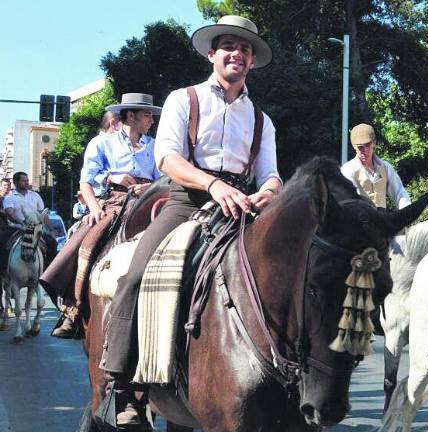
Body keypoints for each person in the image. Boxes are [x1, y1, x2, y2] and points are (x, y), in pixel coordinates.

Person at [98, 15, 281, 428]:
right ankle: (120, 383)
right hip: (186, 198)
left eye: (245, 49)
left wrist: (266, 192)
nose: (237, 53)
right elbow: (167, 159)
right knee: (138, 274)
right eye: (229, 46)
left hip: (242, 205)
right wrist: (213, 186)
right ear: (213, 54)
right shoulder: (185, 99)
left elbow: (271, 172)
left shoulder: (261, 118)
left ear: (252, 62)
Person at [40, 93, 162, 339]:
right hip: (114, 201)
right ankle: (73, 308)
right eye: (147, 115)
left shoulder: (156, 145)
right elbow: (86, 181)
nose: (151, 120)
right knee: (89, 241)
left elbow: (164, 177)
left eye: (151, 115)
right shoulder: (101, 143)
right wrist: (97, 205)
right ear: (130, 116)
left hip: (151, 200)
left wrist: (149, 188)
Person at [341, 123, 412, 209]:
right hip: (359, 220)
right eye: (360, 147)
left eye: (367, 145)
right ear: (353, 146)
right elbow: (347, 201)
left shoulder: (386, 167)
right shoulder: (347, 170)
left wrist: (406, 212)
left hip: (382, 219)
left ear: (374, 143)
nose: (365, 151)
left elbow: (399, 193)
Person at [0, 172, 51, 276]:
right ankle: (3, 272)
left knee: (52, 243)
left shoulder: (35, 195)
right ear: (15, 182)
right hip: (16, 228)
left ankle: (49, 274)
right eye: (24, 181)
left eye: (27, 180)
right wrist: (23, 223)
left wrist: (51, 229)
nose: (27, 183)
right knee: (2, 243)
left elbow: (43, 214)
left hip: (35, 228)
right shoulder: (9, 197)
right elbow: (10, 214)